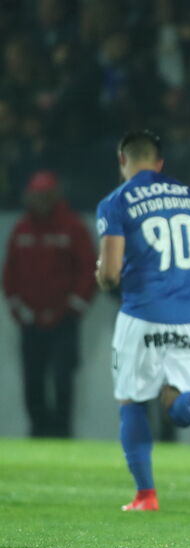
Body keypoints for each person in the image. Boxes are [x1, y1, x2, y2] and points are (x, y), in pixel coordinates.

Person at [95, 130, 190, 512]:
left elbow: (111, 274)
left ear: (123, 160)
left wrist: (101, 275)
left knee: (133, 401)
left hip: (143, 315)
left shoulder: (116, 202)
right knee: (175, 402)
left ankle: (146, 495)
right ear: (160, 163)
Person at [2, 170, 96, 437]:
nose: (40, 202)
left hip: (63, 321)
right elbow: (10, 273)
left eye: (44, 196)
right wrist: (19, 309)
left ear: (55, 196)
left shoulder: (73, 228)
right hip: (30, 320)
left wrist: (72, 308)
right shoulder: (22, 229)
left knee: (63, 377)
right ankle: (38, 431)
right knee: (32, 379)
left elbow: (88, 270)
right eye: (36, 196)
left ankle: (62, 432)